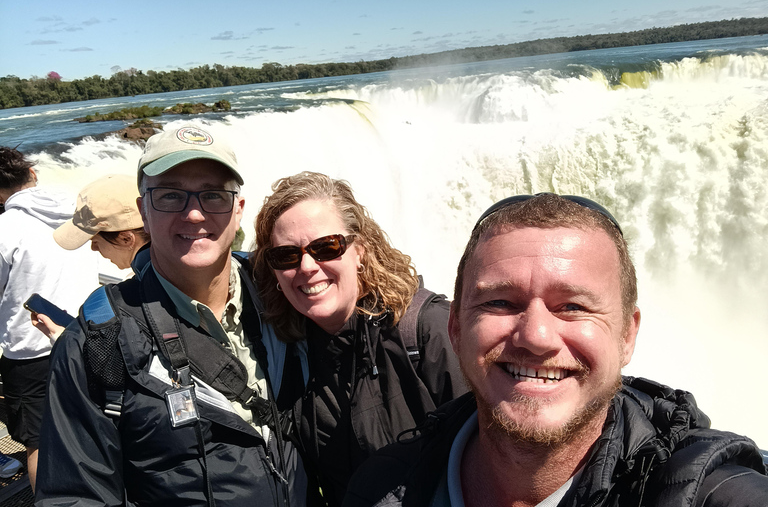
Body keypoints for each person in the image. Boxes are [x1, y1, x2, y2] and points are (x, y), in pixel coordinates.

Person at [344, 193, 768, 507]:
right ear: (455, 328)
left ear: (627, 336)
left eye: (573, 306)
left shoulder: (707, 492)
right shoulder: (379, 487)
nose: (537, 336)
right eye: (500, 303)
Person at [36, 126, 307, 506]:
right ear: (143, 209)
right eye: (170, 196)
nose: (193, 213)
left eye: (213, 194)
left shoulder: (287, 292)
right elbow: (75, 496)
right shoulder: (96, 344)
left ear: (238, 209)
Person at [251, 171, 467, 506]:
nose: (307, 266)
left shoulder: (427, 331)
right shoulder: (289, 353)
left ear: (360, 252)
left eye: (326, 247)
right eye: (287, 255)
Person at [0, 146, 98, 492]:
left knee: (40, 442)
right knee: (93, 429)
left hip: (31, 352)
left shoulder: (4, 229)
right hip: (91, 337)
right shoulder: (76, 211)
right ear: (33, 174)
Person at [30, 174, 150, 342]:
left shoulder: (136, 297)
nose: (93, 248)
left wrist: (64, 341)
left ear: (126, 239)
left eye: (95, 241)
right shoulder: (177, 269)